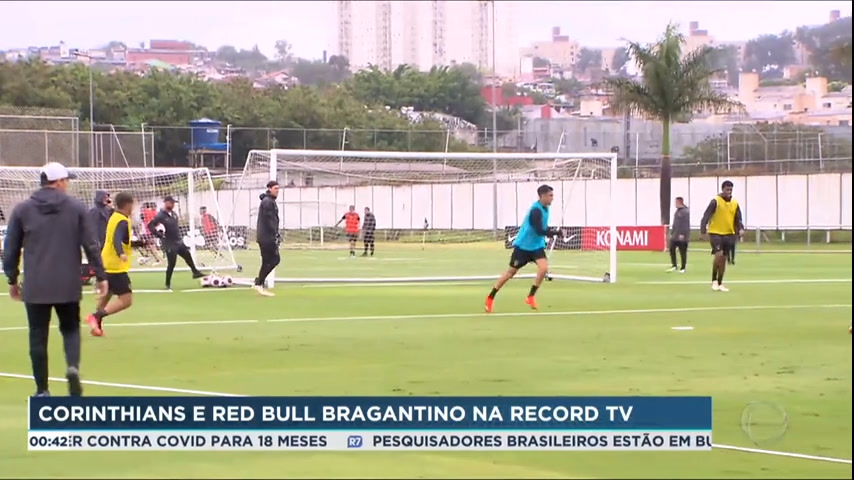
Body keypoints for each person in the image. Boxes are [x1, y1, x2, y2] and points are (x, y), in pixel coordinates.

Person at [2, 162, 107, 397]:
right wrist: (100, 275)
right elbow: (90, 244)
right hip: (68, 282)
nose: (67, 184)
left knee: (37, 335)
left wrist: (12, 279)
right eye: (66, 180)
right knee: (70, 329)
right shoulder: (76, 208)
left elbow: (11, 249)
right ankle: (72, 367)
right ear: (58, 181)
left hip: (36, 284)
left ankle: (42, 389)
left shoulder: (22, 209)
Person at [485, 185, 560, 313]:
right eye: (550, 195)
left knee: (544, 268)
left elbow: (544, 228)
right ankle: (490, 297)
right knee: (510, 273)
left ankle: (530, 296)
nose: (552, 198)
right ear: (542, 196)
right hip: (523, 247)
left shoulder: (546, 209)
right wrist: (555, 233)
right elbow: (539, 230)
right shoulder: (535, 211)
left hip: (536, 246)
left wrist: (554, 231)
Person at [86, 192, 144, 337]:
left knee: (107, 295)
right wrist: (121, 253)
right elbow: (117, 238)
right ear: (128, 204)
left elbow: (119, 239)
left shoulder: (114, 217)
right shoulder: (122, 220)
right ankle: (96, 316)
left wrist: (140, 243)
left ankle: (96, 326)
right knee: (126, 300)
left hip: (106, 262)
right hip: (116, 266)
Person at [146, 195, 204, 290]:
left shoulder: (174, 214)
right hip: (169, 243)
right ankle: (167, 284)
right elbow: (150, 226)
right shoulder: (160, 216)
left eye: (173, 203)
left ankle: (195, 272)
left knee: (187, 256)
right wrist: (158, 234)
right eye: (171, 203)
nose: (173, 205)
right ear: (166, 203)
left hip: (178, 241)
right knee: (172, 264)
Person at [700, 180, 744, 292]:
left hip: (729, 233)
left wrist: (741, 228)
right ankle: (714, 280)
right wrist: (703, 231)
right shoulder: (715, 201)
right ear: (722, 189)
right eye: (727, 189)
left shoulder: (734, 203)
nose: (729, 192)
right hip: (715, 232)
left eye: (730, 190)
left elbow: (738, 218)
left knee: (724, 258)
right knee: (718, 255)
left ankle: (720, 282)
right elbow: (706, 216)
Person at [254, 181, 280, 297]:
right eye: (275, 188)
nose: (277, 191)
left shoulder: (268, 201)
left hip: (264, 236)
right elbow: (270, 221)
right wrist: (275, 234)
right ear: (269, 189)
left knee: (267, 261)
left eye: (278, 189)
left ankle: (259, 283)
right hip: (266, 237)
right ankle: (259, 282)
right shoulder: (268, 202)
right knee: (274, 259)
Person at [667, 197, 690, 273]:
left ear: (680, 202)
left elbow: (685, 224)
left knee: (682, 252)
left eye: (676, 202)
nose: (675, 204)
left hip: (682, 236)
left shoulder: (685, 211)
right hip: (675, 235)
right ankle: (674, 265)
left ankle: (683, 268)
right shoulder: (677, 211)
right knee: (672, 249)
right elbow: (675, 224)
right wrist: (672, 233)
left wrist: (683, 234)